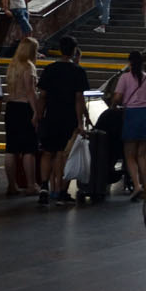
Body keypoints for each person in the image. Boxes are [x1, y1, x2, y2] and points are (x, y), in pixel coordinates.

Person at [36, 35, 88, 207]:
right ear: (74, 51)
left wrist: (38, 115)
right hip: (68, 117)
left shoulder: (50, 69)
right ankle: (59, 191)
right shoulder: (78, 71)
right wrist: (80, 122)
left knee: (47, 152)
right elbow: (79, 99)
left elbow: (42, 96)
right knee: (61, 153)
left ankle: (44, 187)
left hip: (51, 116)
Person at [111, 50, 146, 201]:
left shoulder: (125, 77)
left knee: (129, 155)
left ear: (129, 62)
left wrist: (114, 105)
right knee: (142, 155)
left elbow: (117, 97)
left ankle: (137, 185)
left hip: (131, 115)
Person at [3, 38, 40, 196]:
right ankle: (31, 185)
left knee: (11, 148)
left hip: (11, 107)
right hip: (24, 107)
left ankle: (12, 185)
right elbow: (30, 91)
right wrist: (36, 112)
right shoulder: (28, 66)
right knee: (28, 149)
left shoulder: (13, 65)